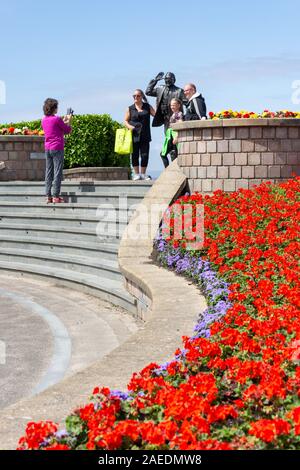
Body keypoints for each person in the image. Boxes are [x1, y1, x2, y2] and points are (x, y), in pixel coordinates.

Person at [42, 98, 72, 203]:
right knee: (57, 172)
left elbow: (54, 129)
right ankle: (55, 196)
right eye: (56, 107)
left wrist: (63, 121)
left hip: (48, 148)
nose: (57, 109)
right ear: (53, 108)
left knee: (49, 171)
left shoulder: (44, 119)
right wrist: (69, 121)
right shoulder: (57, 119)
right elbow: (67, 130)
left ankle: (48, 196)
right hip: (57, 147)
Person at [124, 89, 155, 181]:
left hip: (145, 134)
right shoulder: (130, 108)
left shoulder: (147, 106)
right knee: (135, 155)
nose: (136, 97)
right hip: (134, 135)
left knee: (145, 155)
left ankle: (143, 174)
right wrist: (130, 127)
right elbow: (125, 121)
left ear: (142, 97)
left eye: (138, 96)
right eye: (134, 96)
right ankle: (137, 174)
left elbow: (156, 115)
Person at [161, 98, 183, 168]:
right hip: (170, 137)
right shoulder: (174, 114)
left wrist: (177, 137)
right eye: (171, 105)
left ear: (178, 105)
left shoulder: (178, 114)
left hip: (174, 137)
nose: (172, 107)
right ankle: (170, 170)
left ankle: (169, 170)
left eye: (174, 105)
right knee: (171, 154)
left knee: (165, 154)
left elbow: (180, 125)